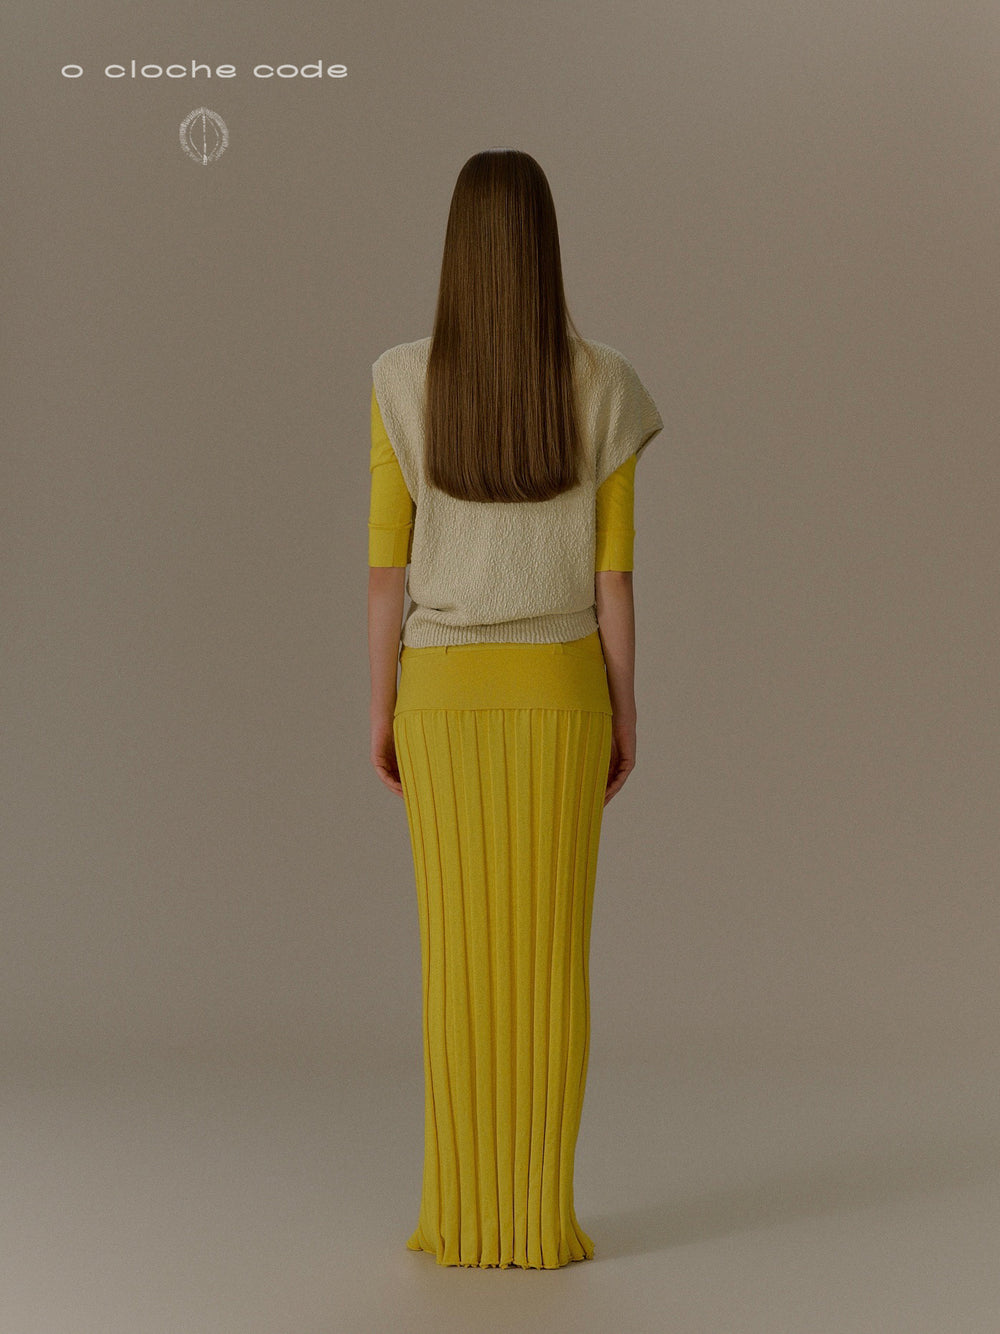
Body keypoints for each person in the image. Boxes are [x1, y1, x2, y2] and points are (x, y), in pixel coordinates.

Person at [366, 148, 663, 1269]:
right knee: (551, 966)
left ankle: (455, 1220)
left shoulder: (399, 379)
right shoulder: (608, 384)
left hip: (438, 699)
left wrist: (382, 706)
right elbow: (613, 579)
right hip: (562, 696)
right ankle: (539, 1222)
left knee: (456, 962)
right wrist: (624, 710)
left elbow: (384, 575)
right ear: (544, 245)